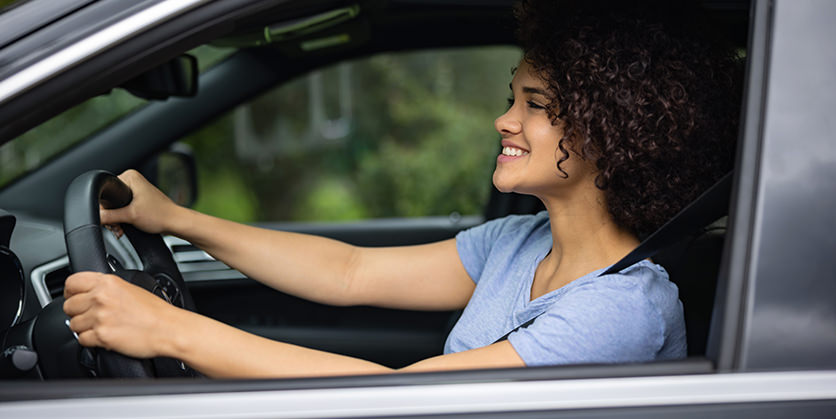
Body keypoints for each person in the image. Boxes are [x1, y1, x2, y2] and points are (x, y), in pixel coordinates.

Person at [61, 0, 742, 378]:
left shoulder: (620, 310)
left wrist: (167, 328)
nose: (504, 121)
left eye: (534, 105)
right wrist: (176, 217)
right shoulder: (520, 242)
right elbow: (348, 271)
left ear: (611, 131)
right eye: (511, 98)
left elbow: (395, 399)